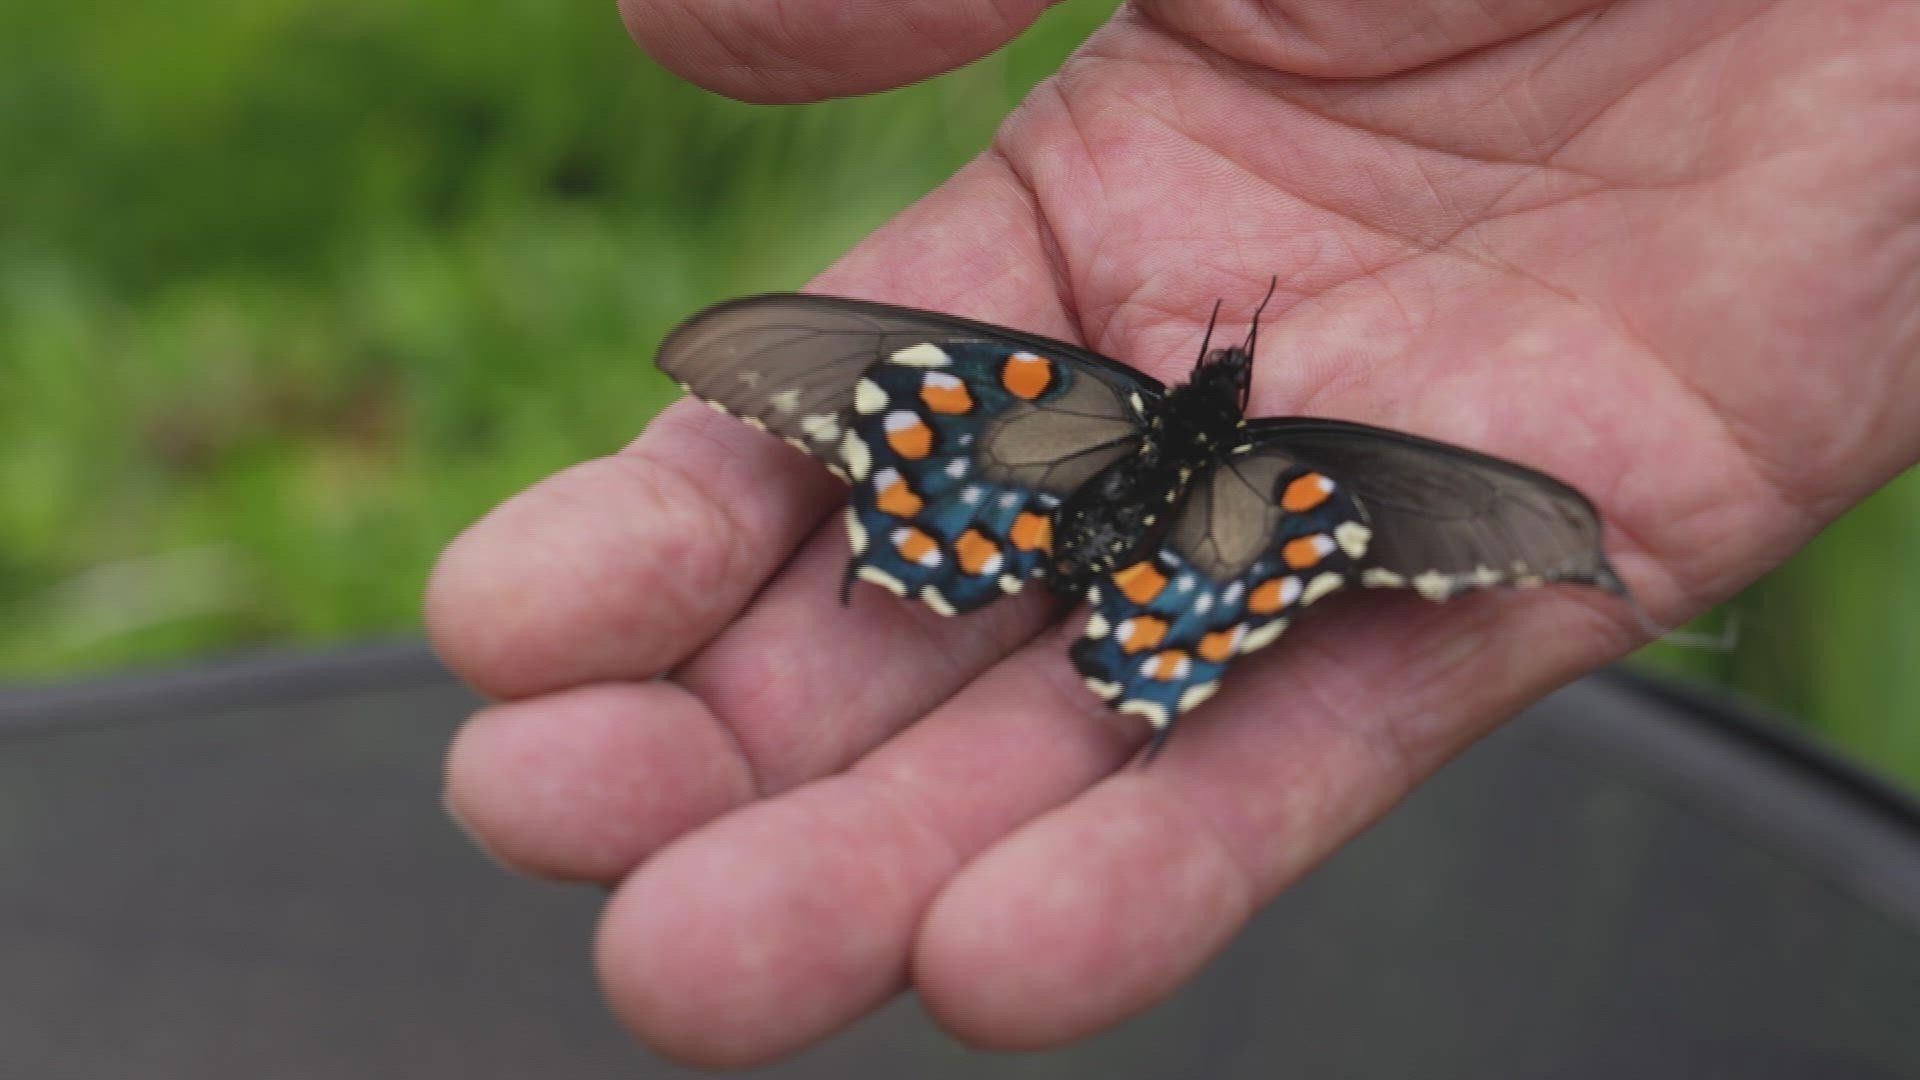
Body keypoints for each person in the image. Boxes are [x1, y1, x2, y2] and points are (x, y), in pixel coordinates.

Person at [425, 0, 1920, 1068]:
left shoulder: (1249, 445)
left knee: (1012, 419)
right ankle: (1095, 610)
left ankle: (998, 563)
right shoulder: (1288, 453)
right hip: (1202, 538)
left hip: (1109, 503)